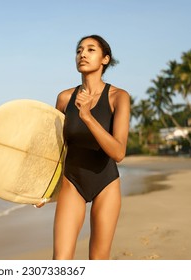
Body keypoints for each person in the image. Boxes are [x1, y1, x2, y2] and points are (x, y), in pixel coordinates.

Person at [52, 35, 130, 260]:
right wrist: (43, 189)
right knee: (60, 261)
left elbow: (119, 152)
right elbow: (55, 148)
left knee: (98, 260)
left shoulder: (118, 97)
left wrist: (87, 116)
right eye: (79, 50)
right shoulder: (65, 98)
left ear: (105, 59)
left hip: (105, 183)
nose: (82, 54)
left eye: (90, 50)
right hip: (72, 183)